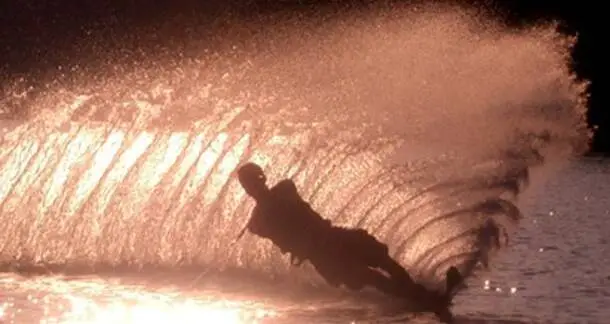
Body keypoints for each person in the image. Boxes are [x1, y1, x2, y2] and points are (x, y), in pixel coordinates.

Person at [235, 162, 462, 307]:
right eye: (251, 184)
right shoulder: (259, 221)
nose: (256, 185)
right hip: (324, 258)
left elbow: (287, 194)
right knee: (373, 278)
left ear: (263, 177)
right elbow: (279, 238)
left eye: (258, 179)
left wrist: (269, 209)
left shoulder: (283, 190)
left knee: (382, 258)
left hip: (335, 237)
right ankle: (424, 299)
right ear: (247, 189)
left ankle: (422, 295)